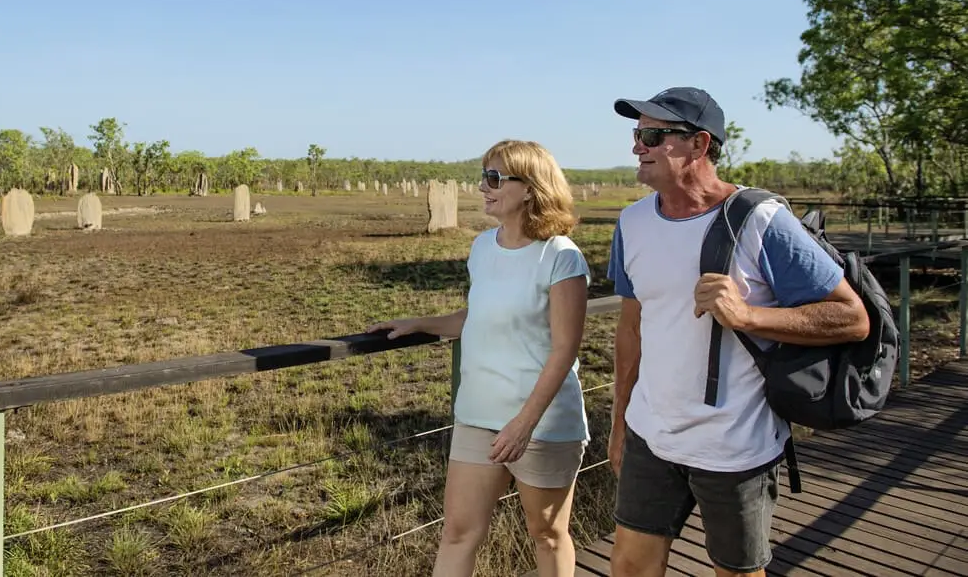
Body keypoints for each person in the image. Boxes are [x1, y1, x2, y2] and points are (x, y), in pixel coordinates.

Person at [605, 87, 870, 577]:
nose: (637, 146)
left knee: (737, 572)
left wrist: (749, 316)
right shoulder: (632, 222)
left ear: (700, 144)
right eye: (637, 134)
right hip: (650, 434)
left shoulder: (761, 220)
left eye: (653, 136)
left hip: (736, 444)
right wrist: (621, 422)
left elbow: (852, 318)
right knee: (629, 567)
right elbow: (631, 329)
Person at [367, 139, 591, 577]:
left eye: (494, 178)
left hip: (540, 423)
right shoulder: (483, 247)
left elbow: (565, 349)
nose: (483, 187)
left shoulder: (561, 256)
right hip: (477, 416)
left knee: (547, 534)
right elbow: (477, 317)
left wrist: (523, 425)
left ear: (530, 188)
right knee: (458, 533)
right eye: (483, 177)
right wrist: (420, 323)